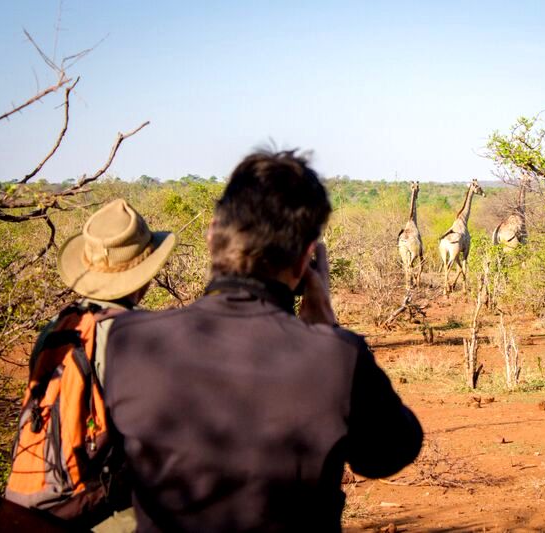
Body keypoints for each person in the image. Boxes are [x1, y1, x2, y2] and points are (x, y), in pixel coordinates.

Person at [105, 150, 423, 532]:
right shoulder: (336, 357)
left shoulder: (129, 342)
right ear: (307, 259)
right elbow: (388, 454)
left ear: (211, 236)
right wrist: (327, 329)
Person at [4, 198, 176, 531]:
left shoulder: (56, 327)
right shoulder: (135, 335)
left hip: (26, 498)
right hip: (90, 506)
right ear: (145, 274)